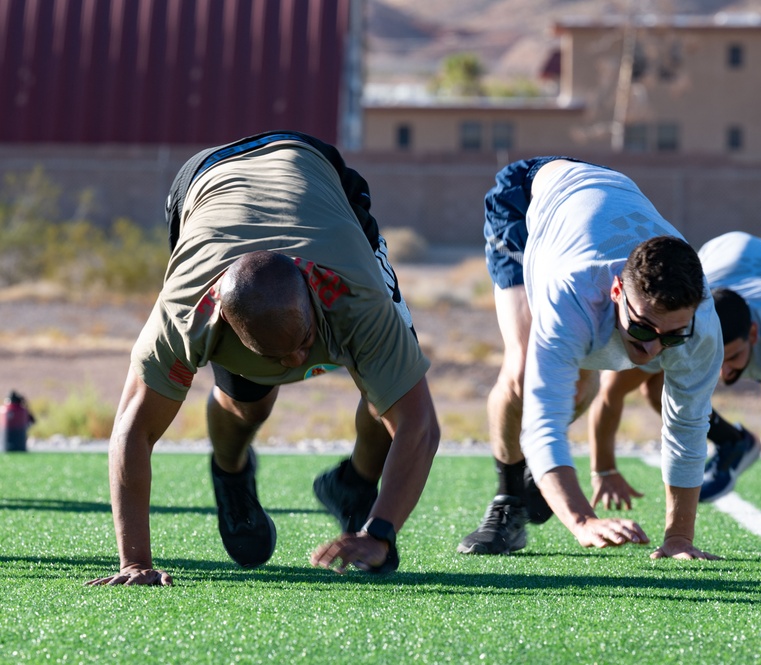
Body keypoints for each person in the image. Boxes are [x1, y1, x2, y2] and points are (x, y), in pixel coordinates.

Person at [86, 131, 439, 586]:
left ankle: (355, 482)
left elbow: (420, 423)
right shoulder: (185, 311)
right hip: (204, 181)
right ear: (225, 323)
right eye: (278, 356)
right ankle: (231, 473)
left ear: (314, 298)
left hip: (309, 167)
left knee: (388, 382)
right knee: (250, 400)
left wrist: (380, 532)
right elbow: (132, 429)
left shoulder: (358, 296)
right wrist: (134, 561)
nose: (298, 361)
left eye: (305, 341)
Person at [457, 156, 724, 560]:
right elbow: (542, 419)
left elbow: (687, 425)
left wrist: (679, 539)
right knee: (522, 371)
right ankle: (508, 499)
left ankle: (544, 476)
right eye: (642, 329)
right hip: (529, 198)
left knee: (581, 385)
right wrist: (583, 520)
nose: (651, 351)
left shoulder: (701, 322)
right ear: (616, 291)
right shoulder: (573, 295)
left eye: (671, 336)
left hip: (603, 192)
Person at [590, 232, 761, 517]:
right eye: (715, 358)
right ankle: (731, 440)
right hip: (725, 251)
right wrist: (604, 468)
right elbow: (610, 394)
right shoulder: (677, 324)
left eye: (732, 357)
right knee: (656, 387)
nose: (720, 372)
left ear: (754, 335)